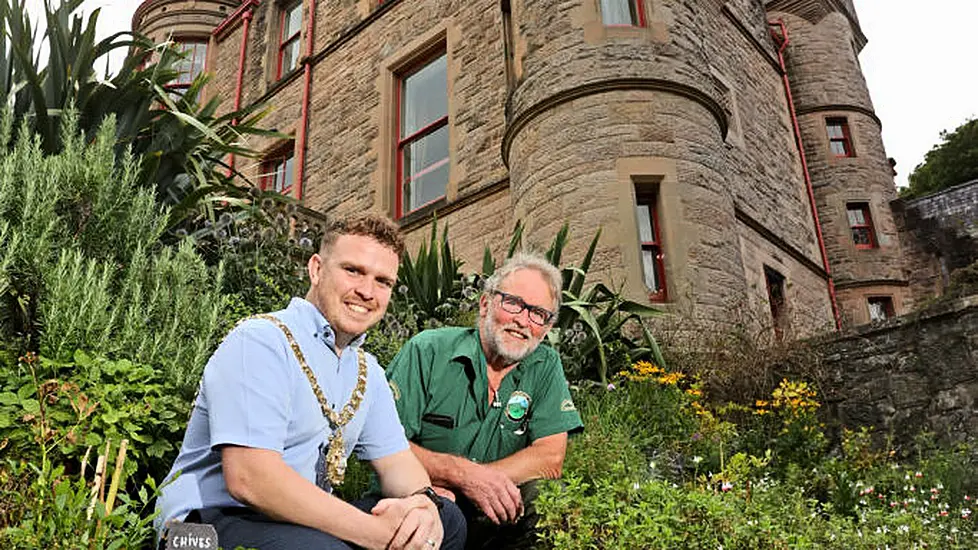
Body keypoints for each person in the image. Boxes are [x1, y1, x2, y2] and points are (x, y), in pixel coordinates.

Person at [155, 214, 465, 550]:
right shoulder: (261, 341)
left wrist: (424, 505)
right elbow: (249, 479)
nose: (366, 291)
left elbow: (398, 464)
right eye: (353, 271)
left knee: (447, 522)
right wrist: (373, 534)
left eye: (383, 281)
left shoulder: (367, 370)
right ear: (316, 269)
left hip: (294, 521)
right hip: (205, 525)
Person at [385, 253, 584, 549]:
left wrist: (476, 482)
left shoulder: (545, 365)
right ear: (484, 304)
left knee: (548, 501)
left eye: (538, 314)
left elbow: (550, 458)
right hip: (422, 502)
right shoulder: (426, 351)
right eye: (513, 303)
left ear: (548, 326)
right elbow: (384, 445)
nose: (523, 321)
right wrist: (453, 477)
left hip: (493, 513)